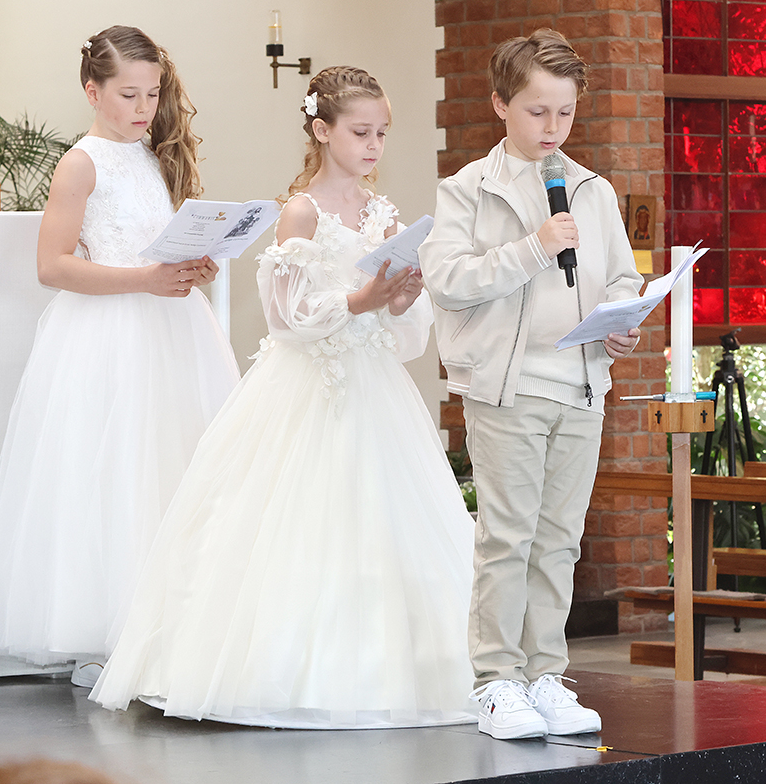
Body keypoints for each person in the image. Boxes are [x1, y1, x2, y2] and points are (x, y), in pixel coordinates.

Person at [90, 66, 476, 729]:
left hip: (373, 387)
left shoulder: (383, 214)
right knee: (293, 522)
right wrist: (361, 298)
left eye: (382, 133)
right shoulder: (301, 211)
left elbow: (405, 336)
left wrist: (401, 300)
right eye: (360, 132)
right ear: (322, 130)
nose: (373, 145)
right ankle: (278, 672)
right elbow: (287, 317)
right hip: (306, 387)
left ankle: (401, 669)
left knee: (382, 522)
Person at [0, 26, 239, 688]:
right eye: (128, 94)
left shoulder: (154, 156)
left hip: (173, 329)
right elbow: (52, 265)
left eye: (152, 93)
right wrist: (147, 278)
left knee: (172, 464)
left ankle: (165, 623)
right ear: (92, 92)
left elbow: (158, 243)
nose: (144, 107)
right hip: (108, 336)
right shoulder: (81, 163)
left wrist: (192, 266)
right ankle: (102, 632)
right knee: (115, 473)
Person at [419, 29, 644, 741]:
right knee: (507, 538)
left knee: (558, 541)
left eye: (565, 112)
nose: (552, 127)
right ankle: (495, 680)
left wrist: (622, 322)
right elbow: (446, 281)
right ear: (500, 104)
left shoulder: (592, 190)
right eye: (537, 111)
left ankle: (545, 673)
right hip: (506, 388)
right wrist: (532, 248)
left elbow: (621, 277)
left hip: (580, 387)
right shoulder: (467, 190)